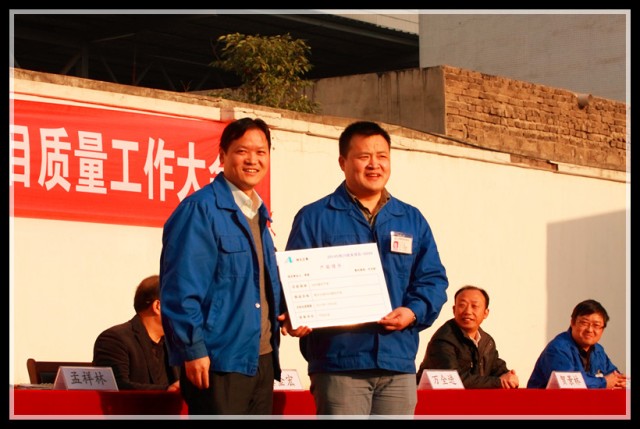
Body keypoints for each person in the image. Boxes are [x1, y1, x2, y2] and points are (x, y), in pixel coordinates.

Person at [282, 120, 449, 416]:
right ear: (343, 162)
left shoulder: (411, 219)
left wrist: (412, 312)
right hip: (338, 363)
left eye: (382, 156)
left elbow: (433, 280)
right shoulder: (315, 217)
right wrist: (296, 314)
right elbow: (293, 281)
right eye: (364, 157)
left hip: (397, 362)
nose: (374, 164)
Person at [159, 117, 288, 415]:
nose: (253, 160)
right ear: (222, 155)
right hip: (218, 361)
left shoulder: (259, 214)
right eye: (242, 151)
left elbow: (261, 285)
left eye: (261, 152)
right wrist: (192, 349)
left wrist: (291, 312)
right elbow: (180, 289)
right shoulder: (200, 209)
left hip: (262, 358)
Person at [416, 285, 519, 389]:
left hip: (470, 397)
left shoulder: (487, 341)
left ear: (485, 313)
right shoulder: (443, 340)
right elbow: (453, 380)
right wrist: (498, 382)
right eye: (462, 305)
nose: (468, 311)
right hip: (433, 397)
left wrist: (509, 376)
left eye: (474, 306)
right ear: (454, 309)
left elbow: (495, 367)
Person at [92, 274, 180, 391]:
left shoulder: (178, 344)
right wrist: (168, 390)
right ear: (158, 306)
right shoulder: (114, 339)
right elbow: (117, 386)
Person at [527, 299, 627, 389]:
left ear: (603, 329)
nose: (590, 330)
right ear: (572, 322)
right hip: (548, 403)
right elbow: (570, 383)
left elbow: (613, 375)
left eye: (596, 325)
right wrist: (604, 382)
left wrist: (620, 382)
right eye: (584, 323)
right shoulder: (558, 348)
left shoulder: (598, 350)